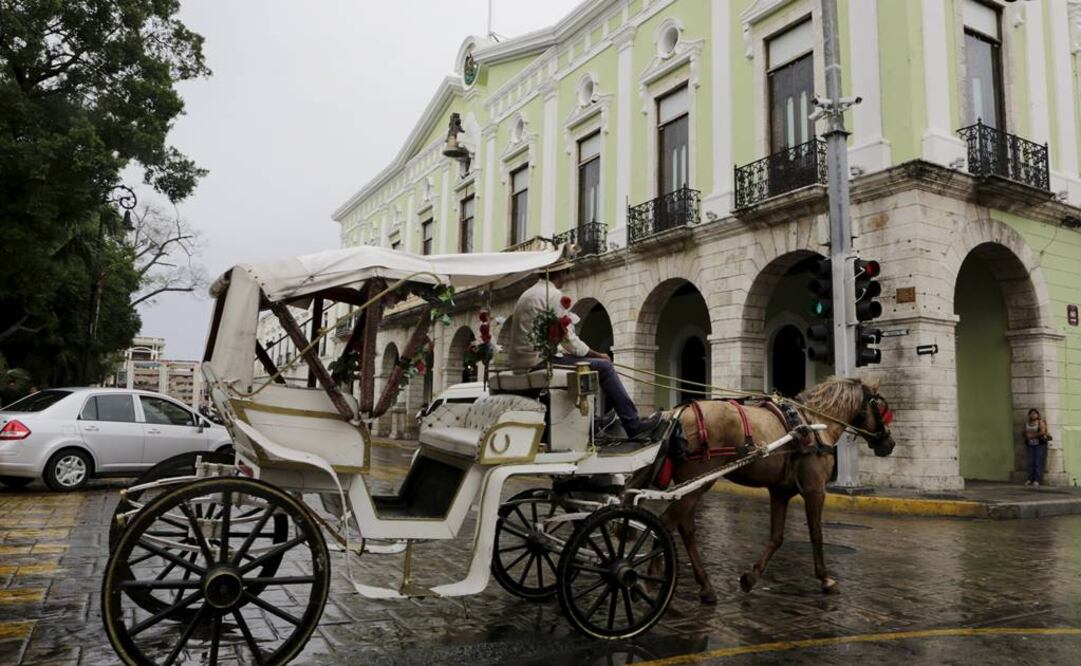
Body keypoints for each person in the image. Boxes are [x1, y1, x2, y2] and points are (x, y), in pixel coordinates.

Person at [509, 265, 660, 438]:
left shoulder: (527, 294)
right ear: (560, 274)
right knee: (604, 367)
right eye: (566, 273)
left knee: (582, 363)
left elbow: (548, 338)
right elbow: (569, 340)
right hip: (539, 362)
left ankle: (593, 422)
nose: (567, 277)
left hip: (523, 362)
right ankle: (633, 424)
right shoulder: (553, 295)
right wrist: (599, 355)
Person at [1023, 408, 1050, 486]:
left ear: (1038, 415)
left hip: (1040, 444)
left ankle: (1037, 480)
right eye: (1031, 413)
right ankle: (1030, 479)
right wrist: (1026, 436)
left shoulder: (1040, 422)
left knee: (1038, 462)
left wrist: (1032, 436)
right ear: (1029, 415)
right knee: (1030, 462)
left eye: (1035, 413)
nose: (1033, 415)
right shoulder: (1027, 423)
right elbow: (1023, 431)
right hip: (1030, 444)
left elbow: (1042, 432)